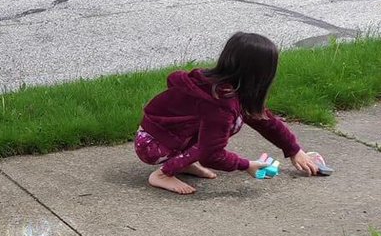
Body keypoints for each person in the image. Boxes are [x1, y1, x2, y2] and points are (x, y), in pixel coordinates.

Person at [135, 32, 320, 195]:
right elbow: (211, 154)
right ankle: (162, 174)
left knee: (229, 122)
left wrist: (294, 149)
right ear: (260, 75)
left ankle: (183, 163)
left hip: (157, 137)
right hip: (152, 147)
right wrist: (246, 165)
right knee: (229, 125)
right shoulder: (221, 104)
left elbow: (264, 120)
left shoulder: (222, 86)